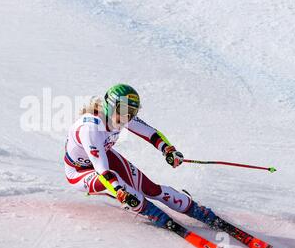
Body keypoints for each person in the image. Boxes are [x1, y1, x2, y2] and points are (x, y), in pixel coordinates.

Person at [64, 84, 218, 228]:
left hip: (105, 157)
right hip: (79, 172)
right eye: (123, 110)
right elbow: (101, 169)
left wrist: (168, 150)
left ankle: (195, 209)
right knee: (128, 191)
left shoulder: (123, 116)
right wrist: (119, 190)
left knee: (151, 189)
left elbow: (151, 134)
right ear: (110, 106)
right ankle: (151, 212)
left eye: (132, 112)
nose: (127, 117)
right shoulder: (90, 129)